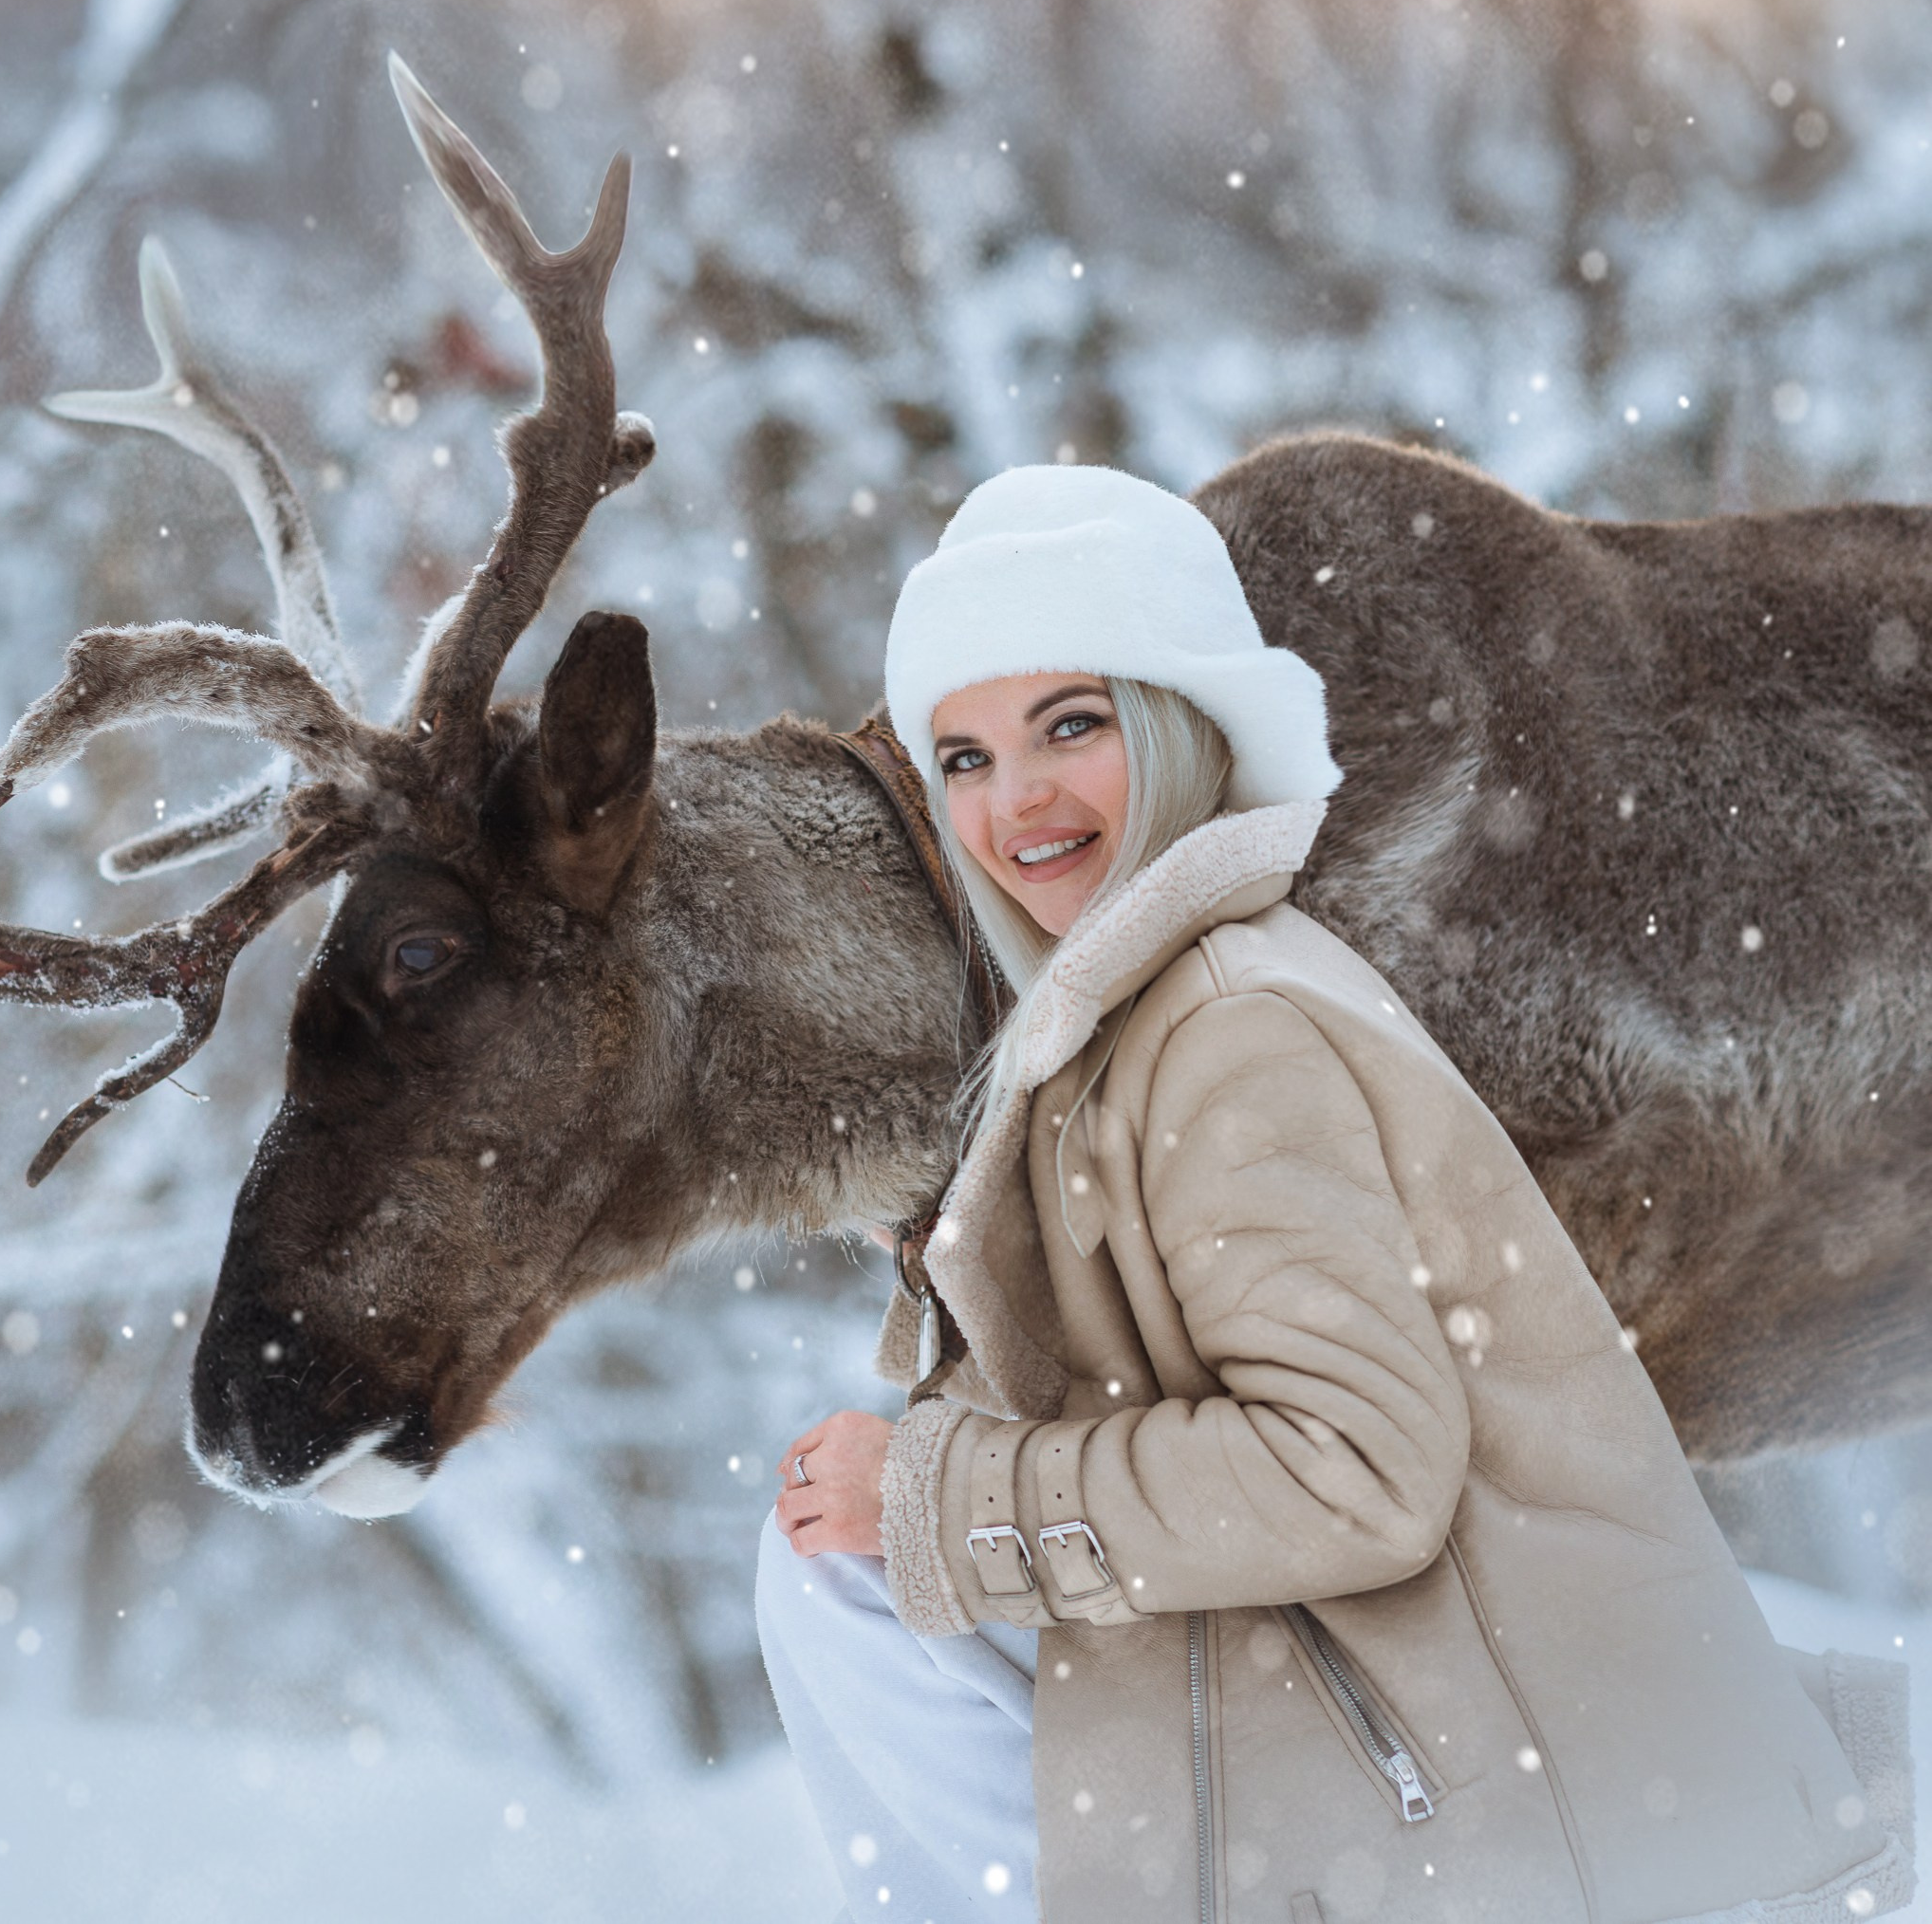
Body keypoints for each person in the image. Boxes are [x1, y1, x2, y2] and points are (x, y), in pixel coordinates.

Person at [756, 465, 1913, 1924]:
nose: (1019, 800)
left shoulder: (1230, 1024)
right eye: (966, 758)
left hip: (1537, 1848)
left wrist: (944, 1502)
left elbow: (1351, 1474)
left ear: (1182, 725)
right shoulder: (1173, 1008)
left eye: (1072, 725)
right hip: (1517, 1817)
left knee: (848, 1590)